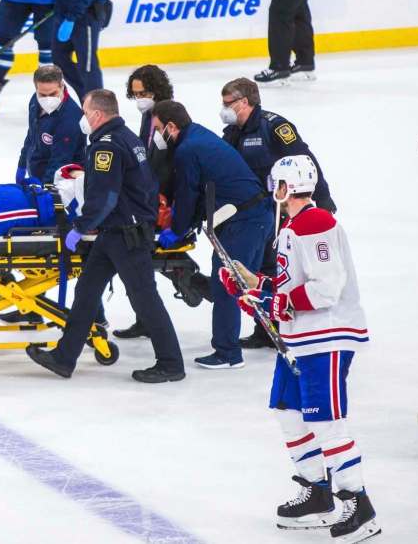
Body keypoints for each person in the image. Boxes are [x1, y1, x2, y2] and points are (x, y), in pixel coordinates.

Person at [219, 155, 378, 542]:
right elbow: (292, 290)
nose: (275, 190)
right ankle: (317, 493)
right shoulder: (293, 225)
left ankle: (359, 504)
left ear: (286, 186)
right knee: (288, 411)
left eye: (277, 184)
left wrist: (274, 301)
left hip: (328, 336)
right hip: (301, 338)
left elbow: (326, 288)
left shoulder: (316, 222)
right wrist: (255, 289)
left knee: (325, 421)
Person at [25, 89, 185, 383]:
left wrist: (80, 228)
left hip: (126, 234)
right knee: (86, 291)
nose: (83, 119)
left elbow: (105, 197)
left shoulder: (106, 147)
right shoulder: (127, 138)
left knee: (145, 299)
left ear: (97, 114)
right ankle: (64, 357)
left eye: (86, 113)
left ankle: (171, 363)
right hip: (117, 231)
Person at [151, 101, 272, 369]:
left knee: (227, 283)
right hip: (254, 216)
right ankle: (277, 331)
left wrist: (177, 230)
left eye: (158, 129)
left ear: (171, 126)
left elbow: (187, 194)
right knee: (253, 282)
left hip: (244, 221)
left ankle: (228, 353)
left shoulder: (187, 150)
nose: (157, 135)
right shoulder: (198, 136)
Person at [219, 77, 335, 350]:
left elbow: (306, 159)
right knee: (260, 267)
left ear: (244, 102)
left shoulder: (274, 127)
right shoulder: (233, 131)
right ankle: (266, 327)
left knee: (279, 266)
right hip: (253, 211)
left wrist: (323, 196)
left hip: (280, 207)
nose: (223, 109)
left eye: (228, 103)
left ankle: (285, 325)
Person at [114, 64, 176, 340]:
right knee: (141, 267)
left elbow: (166, 163)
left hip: (159, 201)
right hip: (147, 198)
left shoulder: (166, 117)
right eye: (136, 93)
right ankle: (145, 318)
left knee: (145, 265)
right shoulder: (148, 115)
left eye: (145, 92)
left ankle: (199, 286)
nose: (140, 98)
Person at [15, 64, 85, 186]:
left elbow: (60, 161)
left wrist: (46, 188)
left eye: (53, 94)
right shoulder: (34, 101)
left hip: (61, 182)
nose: (47, 99)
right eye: (42, 94)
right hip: (37, 171)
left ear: (62, 86)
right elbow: (32, 134)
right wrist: (22, 164)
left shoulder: (71, 118)